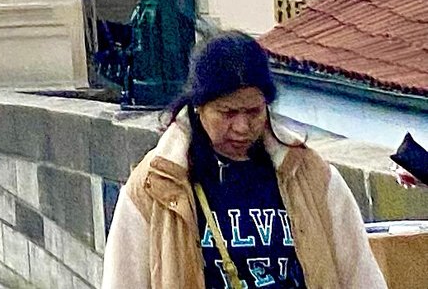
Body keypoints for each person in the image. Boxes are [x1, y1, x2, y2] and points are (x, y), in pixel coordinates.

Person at [103, 35, 375, 289]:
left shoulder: (310, 175)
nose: (243, 127)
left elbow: (360, 275)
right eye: (227, 113)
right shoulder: (156, 185)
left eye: (254, 111)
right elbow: (122, 279)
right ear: (199, 106)